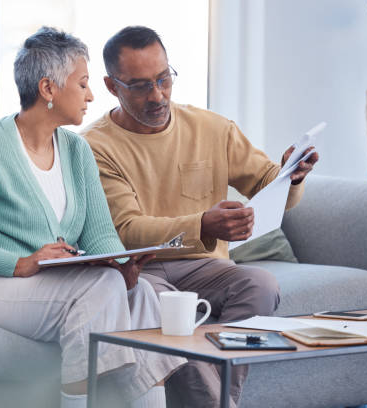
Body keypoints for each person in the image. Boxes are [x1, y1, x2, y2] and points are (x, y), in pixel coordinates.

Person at [0, 26, 185, 408]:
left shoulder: (77, 152)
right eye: (82, 84)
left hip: (38, 285)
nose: (92, 95)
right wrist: (21, 262)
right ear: (48, 89)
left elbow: (100, 238)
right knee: (101, 288)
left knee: (139, 292)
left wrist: (124, 266)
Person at [82, 26, 319, 408]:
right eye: (141, 86)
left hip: (205, 267)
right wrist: (201, 224)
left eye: (163, 79)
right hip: (142, 269)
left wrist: (292, 175)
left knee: (260, 283)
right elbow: (126, 231)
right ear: (112, 86)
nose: (157, 95)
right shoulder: (92, 147)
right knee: (163, 310)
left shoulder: (212, 128)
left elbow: (266, 183)